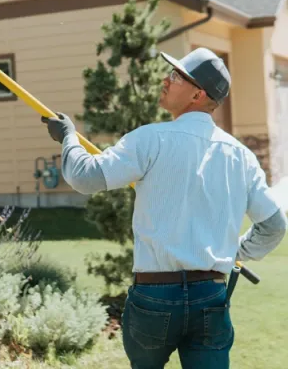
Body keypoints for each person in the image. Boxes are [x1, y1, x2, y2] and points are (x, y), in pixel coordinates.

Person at [41, 47, 287, 369]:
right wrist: (238, 252)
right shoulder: (240, 156)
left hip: (155, 297)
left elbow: (85, 177)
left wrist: (68, 138)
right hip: (210, 298)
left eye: (176, 76)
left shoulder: (149, 140)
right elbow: (274, 225)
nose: (165, 80)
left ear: (198, 94)